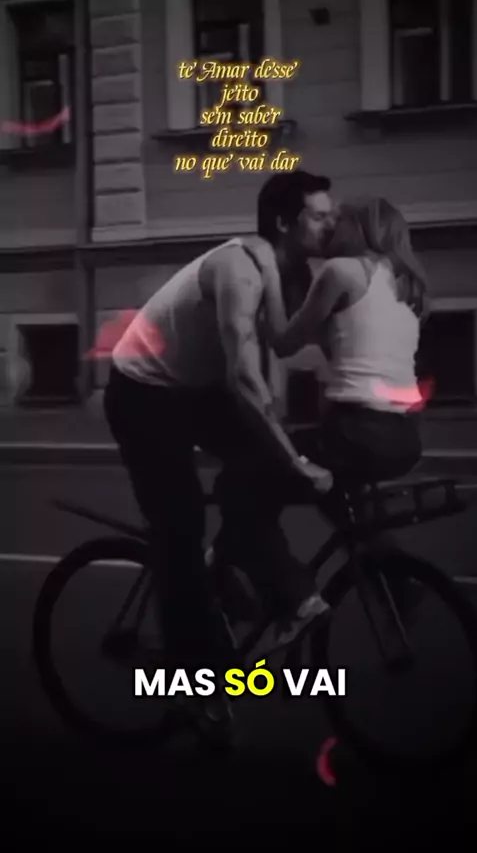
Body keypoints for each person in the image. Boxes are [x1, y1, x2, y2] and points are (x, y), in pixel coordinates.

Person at [103, 171, 336, 740]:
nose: (331, 224)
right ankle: (197, 692)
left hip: (198, 389)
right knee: (178, 533)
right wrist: (295, 459)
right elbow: (244, 377)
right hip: (144, 394)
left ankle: (232, 565)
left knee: (263, 471)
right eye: (319, 216)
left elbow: (283, 353)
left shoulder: (293, 273)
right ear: (284, 223)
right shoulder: (238, 268)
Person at [262, 196, 428, 488]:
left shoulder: (342, 271)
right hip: (405, 438)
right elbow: (344, 347)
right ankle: (352, 518)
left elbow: (283, 344)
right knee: (337, 493)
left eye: (336, 219)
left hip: (355, 433)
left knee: (256, 460)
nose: (328, 226)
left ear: (355, 228)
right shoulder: (408, 284)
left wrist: (269, 278)